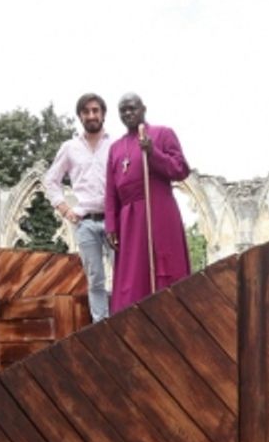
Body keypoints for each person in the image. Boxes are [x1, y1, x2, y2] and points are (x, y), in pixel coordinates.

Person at [105, 92, 191, 313]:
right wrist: (111, 226)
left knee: (162, 269)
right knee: (132, 278)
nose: (128, 113)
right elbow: (111, 190)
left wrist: (153, 153)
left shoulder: (162, 134)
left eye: (132, 108)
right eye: (123, 110)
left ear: (143, 109)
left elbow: (181, 169)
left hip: (157, 210)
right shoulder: (115, 148)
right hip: (128, 219)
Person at [43, 92, 113, 322]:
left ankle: (125, 319)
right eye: (86, 112)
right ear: (80, 116)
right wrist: (64, 208)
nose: (91, 115)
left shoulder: (116, 145)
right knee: (95, 278)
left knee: (124, 273)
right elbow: (51, 179)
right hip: (85, 222)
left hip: (114, 220)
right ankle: (101, 323)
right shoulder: (70, 148)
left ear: (103, 114)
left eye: (95, 110)